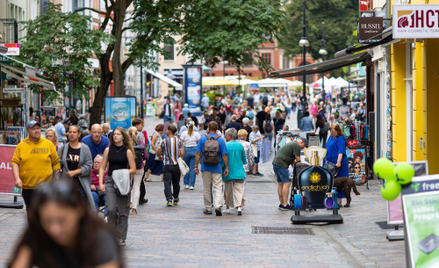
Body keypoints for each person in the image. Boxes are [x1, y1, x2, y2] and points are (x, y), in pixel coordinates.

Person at [8, 180, 122, 268]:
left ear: (79, 211)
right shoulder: (37, 232)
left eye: (62, 220)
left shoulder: (100, 236)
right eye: (48, 221)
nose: (55, 229)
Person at [12, 121, 61, 213]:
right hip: (28, 187)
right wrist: (17, 179)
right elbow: (15, 163)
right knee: (32, 214)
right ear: (28, 132)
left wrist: (57, 180)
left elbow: (56, 163)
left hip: (46, 187)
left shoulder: (48, 144)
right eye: (33, 129)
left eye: (38, 128)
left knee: (45, 214)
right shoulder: (21, 146)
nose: (37, 131)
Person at [99, 127, 137, 247]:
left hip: (123, 181)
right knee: (110, 209)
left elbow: (133, 169)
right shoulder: (107, 150)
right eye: (114, 134)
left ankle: (121, 237)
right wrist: (101, 183)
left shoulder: (128, 151)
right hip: (110, 180)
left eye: (118, 134)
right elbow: (102, 167)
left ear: (123, 136)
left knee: (123, 211)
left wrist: (122, 173)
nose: (115, 136)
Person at [194, 121, 229, 216]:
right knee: (218, 187)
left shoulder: (203, 139)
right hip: (217, 167)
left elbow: (198, 154)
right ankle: (218, 206)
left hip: (205, 167)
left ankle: (208, 208)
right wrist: (226, 167)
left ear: (208, 128)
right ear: (217, 128)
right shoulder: (221, 140)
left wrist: (196, 166)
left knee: (206, 187)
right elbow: (225, 155)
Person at [58, 125, 94, 211]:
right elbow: (57, 164)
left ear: (79, 134)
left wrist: (75, 172)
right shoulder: (63, 148)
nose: (72, 134)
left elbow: (89, 166)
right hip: (66, 186)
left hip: (80, 186)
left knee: (80, 212)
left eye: (74, 132)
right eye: (70, 132)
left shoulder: (85, 148)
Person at [272, 138, 307, 211]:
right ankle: (285, 204)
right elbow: (298, 160)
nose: (302, 149)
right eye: (303, 146)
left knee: (280, 184)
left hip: (276, 163)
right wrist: (303, 170)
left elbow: (292, 161)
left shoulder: (292, 144)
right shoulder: (296, 146)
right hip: (282, 165)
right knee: (286, 183)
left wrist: (296, 168)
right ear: (302, 142)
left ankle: (281, 203)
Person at [155, 125, 185, 206]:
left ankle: (169, 199)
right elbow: (182, 154)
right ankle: (175, 198)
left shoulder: (164, 141)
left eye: (167, 129)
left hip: (167, 165)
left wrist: (160, 156)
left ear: (169, 131)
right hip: (176, 165)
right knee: (176, 183)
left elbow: (158, 152)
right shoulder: (179, 141)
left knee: (167, 182)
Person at [323, 124, 349, 207]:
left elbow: (340, 152)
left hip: (337, 163)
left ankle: (339, 201)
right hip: (328, 162)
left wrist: (338, 162)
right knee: (330, 181)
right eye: (330, 131)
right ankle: (331, 199)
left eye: (333, 131)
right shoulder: (330, 137)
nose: (331, 133)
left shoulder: (341, 139)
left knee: (339, 182)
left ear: (338, 131)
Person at [222, 128, 246, 215]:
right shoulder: (240, 145)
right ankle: (239, 207)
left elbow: (223, 159)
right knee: (239, 190)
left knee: (228, 190)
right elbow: (244, 160)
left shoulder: (225, 145)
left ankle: (228, 208)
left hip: (228, 171)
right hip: (239, 171)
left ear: (229, 136)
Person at [127, 127, 146, 215]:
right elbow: (146, 155)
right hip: (139, 167)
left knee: (128, 186)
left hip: (128, 168)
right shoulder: (141, 143)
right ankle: (134, 208)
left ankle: (129, 203)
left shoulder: (126, 143)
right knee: (136, 187)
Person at [132, 118, 149, 205]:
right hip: (139, 160)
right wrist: (145, 159)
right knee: (139, 181)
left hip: (131, 160)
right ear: (137, 125)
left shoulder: (129, 133)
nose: (142, 127)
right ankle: (141, 197)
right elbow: (143, 147)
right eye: (142, 125)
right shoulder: (140, 134)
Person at [180, 122, 200, 190]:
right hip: (194, 150)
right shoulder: (196, 134)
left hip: (186, 150)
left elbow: (181, 141)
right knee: (193, 168)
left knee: (186, 167)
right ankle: (192, 184)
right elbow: (198, 142)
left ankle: (186, 184)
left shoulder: (184, 133)